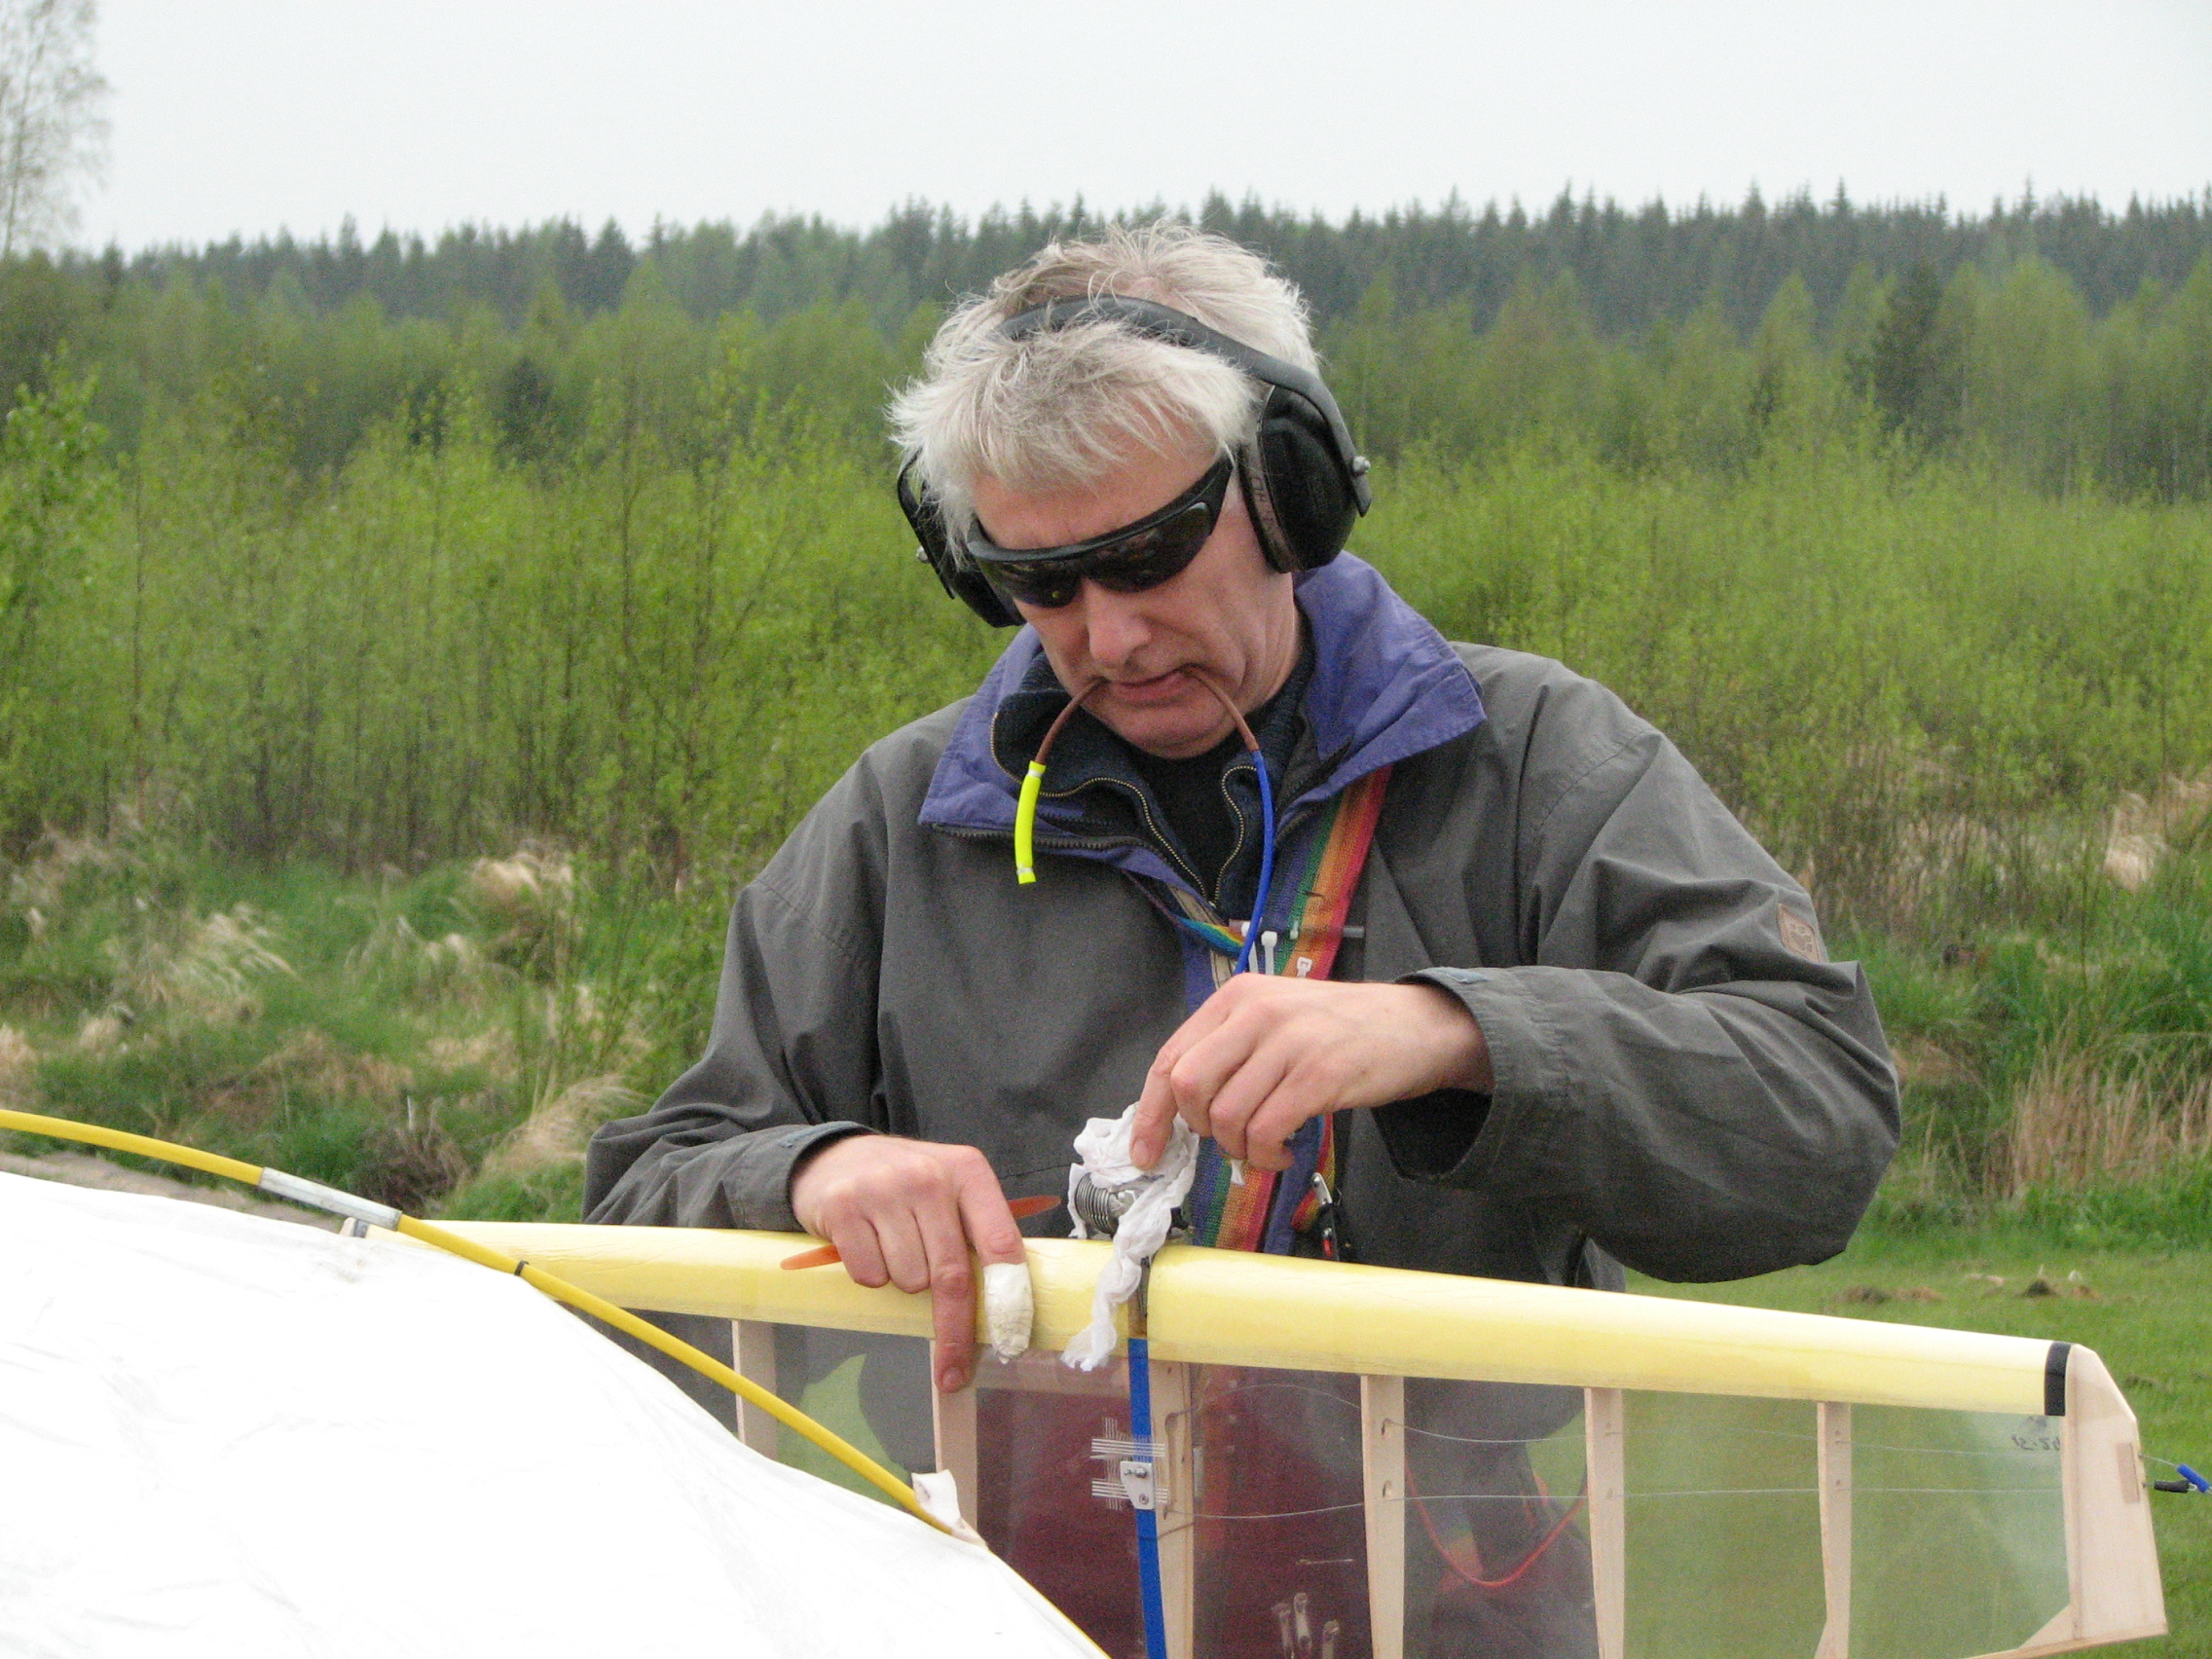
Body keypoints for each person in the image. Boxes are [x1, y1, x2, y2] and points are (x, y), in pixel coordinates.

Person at [583, 224, 1899, 1652]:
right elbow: (634, 1230)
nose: (1107, 638)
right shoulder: (897, 827)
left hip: (1439, 1620)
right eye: (1040, 583)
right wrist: (808, 1176)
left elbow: (1818, 1116)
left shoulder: (1535, 763)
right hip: (1005, 1620)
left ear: (1292, 493)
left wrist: (1458, 1037)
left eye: (1146, 555)